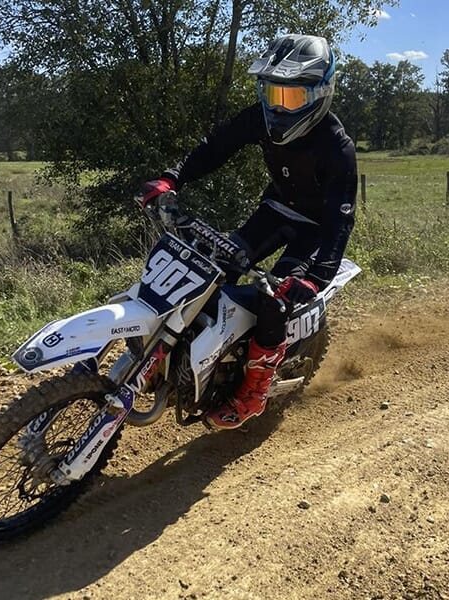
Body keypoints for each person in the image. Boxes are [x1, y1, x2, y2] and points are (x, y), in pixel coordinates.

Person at [141, 34, 357, 430]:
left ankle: (253, 392)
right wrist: (171, 179)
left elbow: (340, 221)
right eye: (272, 92)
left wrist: (315, 279)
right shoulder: (260, 116)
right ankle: (189, 358)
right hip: (274, 211)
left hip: (315, 231)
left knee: (274, 302)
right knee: (210, 269)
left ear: (320, 94)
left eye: (290, 98)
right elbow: (214, 147)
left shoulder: (336, 147)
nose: (278, 106)